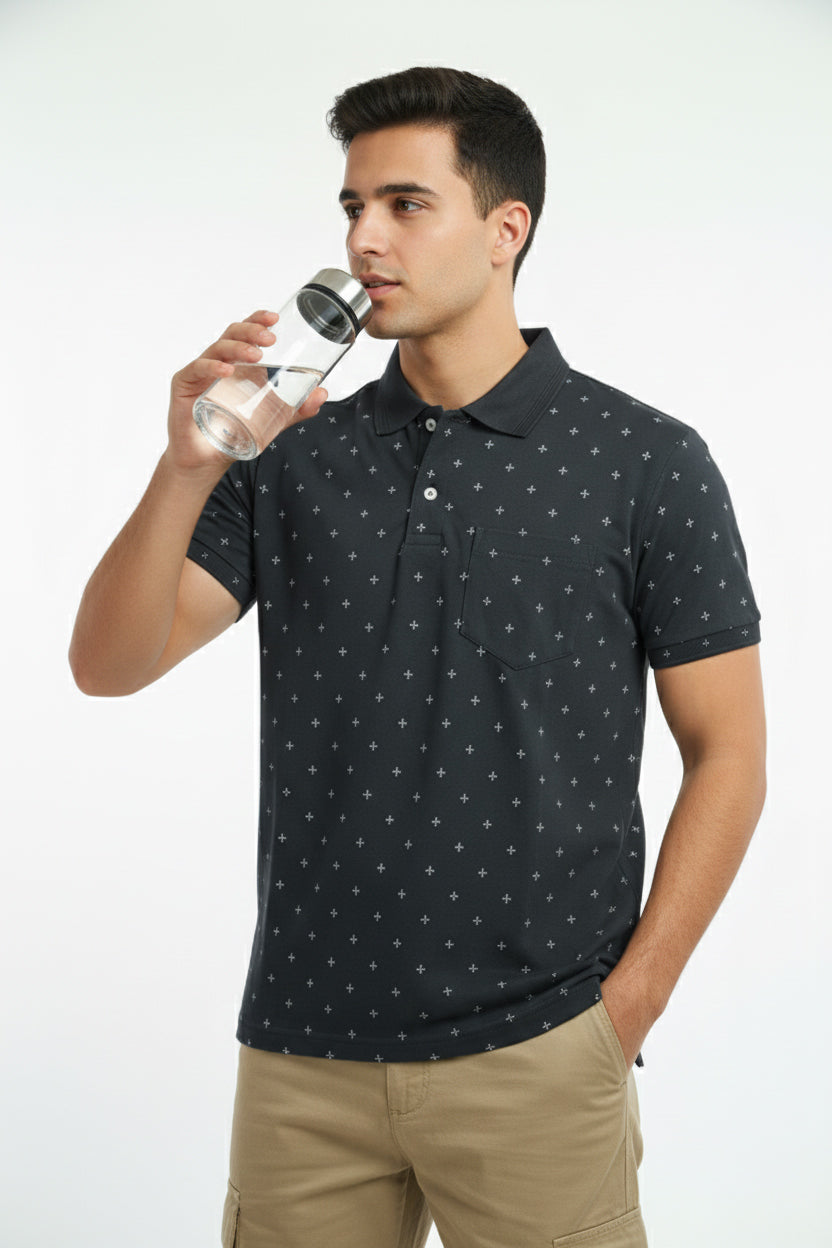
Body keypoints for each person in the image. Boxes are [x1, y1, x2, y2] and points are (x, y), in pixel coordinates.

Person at [69, 66, 767, 1248]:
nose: (363, 239)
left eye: (404, 205)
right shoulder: (290, 454)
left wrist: (628, 1004)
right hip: (301, 1057)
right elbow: (109, 664)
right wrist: (187, 468)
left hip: (539, 1048)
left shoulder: (644, 460)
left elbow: (730, 751)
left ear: (505, 229)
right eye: (352, 207)